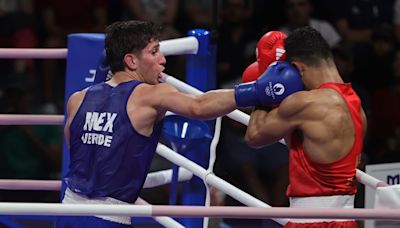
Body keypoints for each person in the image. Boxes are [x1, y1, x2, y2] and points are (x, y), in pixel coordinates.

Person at [55, 20, 303, 227]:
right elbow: (199, 106)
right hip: (107, 218)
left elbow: (77, 149)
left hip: (66, 211)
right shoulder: (151, 94)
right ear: (131, 61)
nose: (163, 60)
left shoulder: (78, 98)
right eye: (154, 52)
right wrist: (258, 91)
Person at [244, 27, 367, 227]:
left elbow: (254, 135)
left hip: (311, 222)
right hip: (346, 220)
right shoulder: (357, 105)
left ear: (297, 68)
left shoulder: (308, 103)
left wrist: (265, 89)